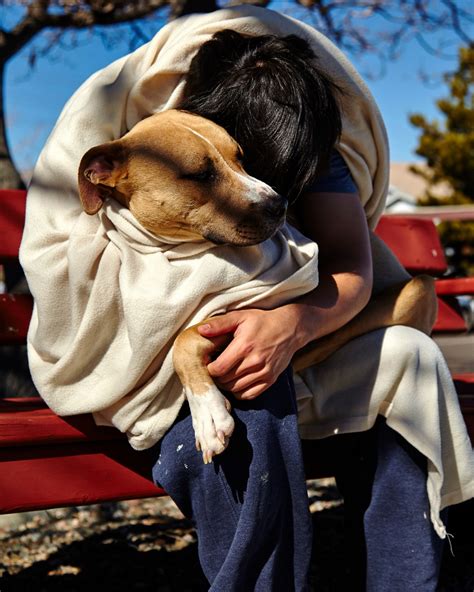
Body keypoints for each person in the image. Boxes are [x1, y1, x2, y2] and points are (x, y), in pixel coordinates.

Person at [19, 6, 474, 591]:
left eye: (250, 163)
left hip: (310, 346)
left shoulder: (305, 140)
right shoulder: (151, 139)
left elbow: (351, 268)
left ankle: (407, 579)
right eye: (215, 167)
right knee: (244, 395)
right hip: (165, 371)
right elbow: (75, 279)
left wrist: (295, 322)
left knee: (409, 358)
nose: (263, 193)